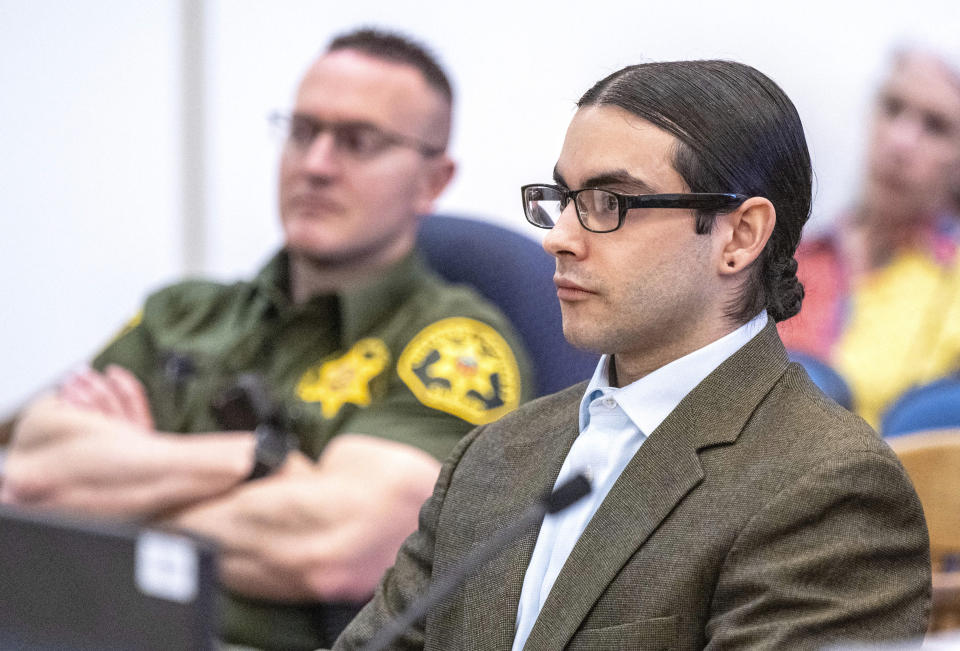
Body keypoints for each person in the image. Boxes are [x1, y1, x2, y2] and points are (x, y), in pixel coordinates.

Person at [333, 60, 930, 650]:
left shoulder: (827, 485)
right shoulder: (489, 456)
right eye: (564, 198)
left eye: (610, 203)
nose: (559, 237)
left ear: (739, 235)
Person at [0, 28, 532, 651]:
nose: (315, 165)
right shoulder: (186, 312)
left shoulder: (453, 348)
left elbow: (332, 547)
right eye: (303, 131)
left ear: (432, 181)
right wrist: (252, 460)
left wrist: (113, 490)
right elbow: (31, 471)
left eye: (358, 142)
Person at [778, 37, 960, 429]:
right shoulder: (794, 253)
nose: (900, 142)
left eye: (936, 127)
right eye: (892, 108)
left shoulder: (952, 277)